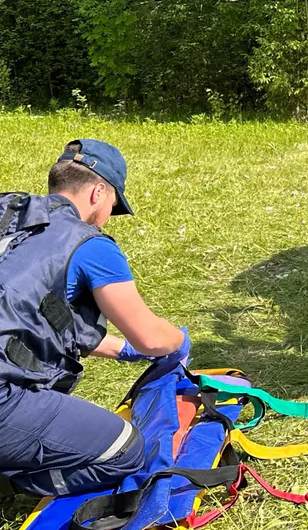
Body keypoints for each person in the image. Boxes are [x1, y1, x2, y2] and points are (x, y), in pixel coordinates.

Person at [0, 140, 191, 498]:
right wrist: (178, 342)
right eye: (112, 207)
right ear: (99, 192)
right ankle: (13, 483)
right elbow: (150, 337)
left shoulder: (9, 214)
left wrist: (122, 351)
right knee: (125, 450)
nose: (106, 218)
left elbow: (32, 316)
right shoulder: (90, 246)